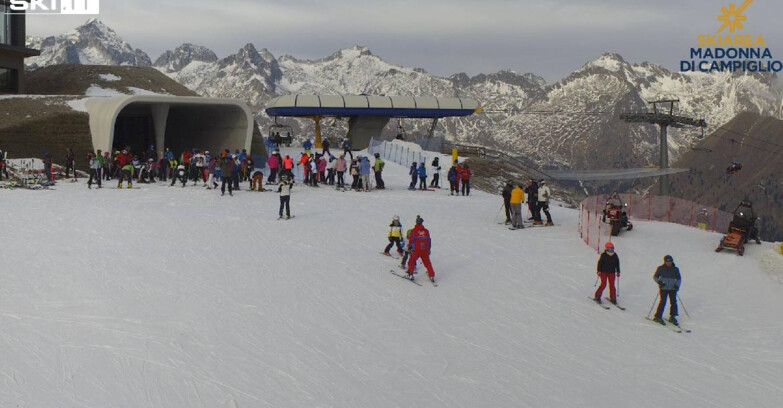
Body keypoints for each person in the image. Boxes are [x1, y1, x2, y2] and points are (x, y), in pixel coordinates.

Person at [653, 255, 681, 325]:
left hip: (672, 288)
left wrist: (677, 286)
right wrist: (659, 282)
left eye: (670, 261)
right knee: (663, 302)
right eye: (667, 262)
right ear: (665, 262)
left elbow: (679, 279)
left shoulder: (675, 269)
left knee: (673, 302)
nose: (669, 263)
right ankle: (657, 317)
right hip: (663, 288)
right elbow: (655, 277)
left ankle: (672, 316)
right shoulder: (660, 268)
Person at [406, 216, 435, 283]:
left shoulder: (413, 231)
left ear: (416, 222)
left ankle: (410, 274)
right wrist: (429, 249)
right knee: (427, 263)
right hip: (425, 250)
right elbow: (429, 241)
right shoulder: (426, 231)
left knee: (411, 261)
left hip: (416, 250)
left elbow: (411, 240)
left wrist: (410, 247)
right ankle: (431, 275)